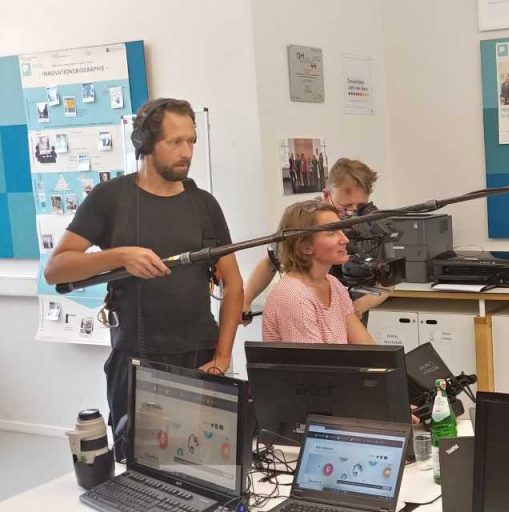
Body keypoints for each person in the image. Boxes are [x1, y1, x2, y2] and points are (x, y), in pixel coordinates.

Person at [43, 97, 243, 440]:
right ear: (144, 143)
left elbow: (234, 286)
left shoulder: (203, 204)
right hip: (135, 360)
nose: (187, 152)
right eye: (175, 142)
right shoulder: (110, 199)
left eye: (191, 141)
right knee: (136, 467)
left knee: (208, 465)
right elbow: (56, 269)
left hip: (199, 356)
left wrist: (223, 356)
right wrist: (120, 256)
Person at [243, 158, 390, 322]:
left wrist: (357, 307)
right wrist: (244, 301)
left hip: (350, 317)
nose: (352, 213)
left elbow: (388, 282)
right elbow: (270, 261)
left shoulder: (373, 225)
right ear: (327, 195)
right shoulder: (303, 220)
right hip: (307, 314)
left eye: (359, 206)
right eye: (345, 207)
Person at [262, 200, 374, 344]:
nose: (345, 239)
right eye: (332, 233)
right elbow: (314, 364)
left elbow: (365, 345)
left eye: (341, 230)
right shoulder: (295, 298)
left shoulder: (333, 284)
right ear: (305, 247)